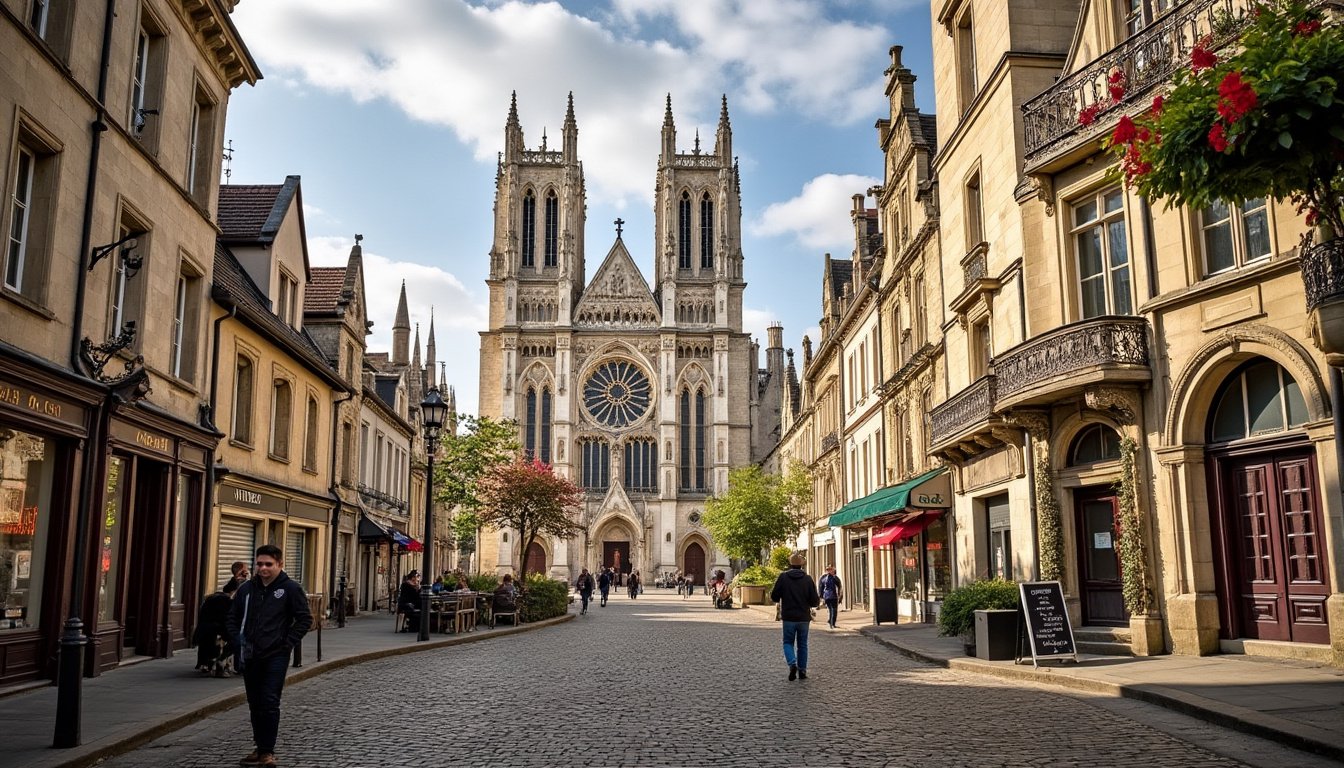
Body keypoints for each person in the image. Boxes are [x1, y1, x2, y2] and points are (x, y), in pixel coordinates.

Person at [226, 544, 312, 767]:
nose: (263, 568)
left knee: (270, 701)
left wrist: (287, 643)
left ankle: (267, 752)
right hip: (250, 653)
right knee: (255, 702)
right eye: (260, 564)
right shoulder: (247, 589)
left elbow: (304, 619)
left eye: (268, 564)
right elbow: (232, 618)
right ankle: (259, 746)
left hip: (276, 654)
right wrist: (237, 639)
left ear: (279, 565)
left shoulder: (290, 589)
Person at [770, 551, 819, 681]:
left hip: (789, 617)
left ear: (790, 565)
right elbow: (815, 601)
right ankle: (802, 671)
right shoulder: (808, 579)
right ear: (801, 566)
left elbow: (774, 596)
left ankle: (792, 663)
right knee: (803, 644)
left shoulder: (783, 577)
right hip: (803, 617)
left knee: (787, 642)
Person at [818, 564, 843, 629]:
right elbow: (839, 587)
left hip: (827, 596)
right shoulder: (834, 578)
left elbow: (820, 587)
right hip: (832, 596)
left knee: (830, 609)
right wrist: (840, 596)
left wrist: (821, 596)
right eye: (830, 569)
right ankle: (832, 623)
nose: (832, 571)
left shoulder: (823, 578)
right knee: (833, 610)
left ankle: (830, 622)